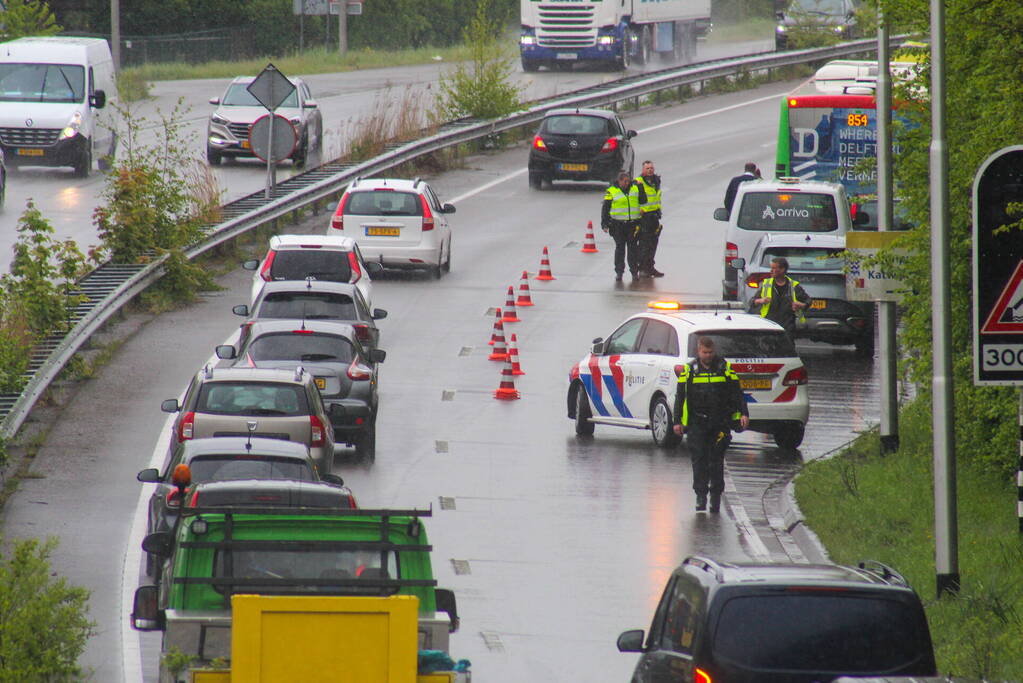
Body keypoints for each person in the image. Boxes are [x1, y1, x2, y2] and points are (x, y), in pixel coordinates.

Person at [672, 337, 749, 513]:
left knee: (716, 460)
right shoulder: (689, 370)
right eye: (704, 353)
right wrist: (677, 422)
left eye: (710, 352)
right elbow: (680, 396)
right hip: (697, 422)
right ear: (699, 352)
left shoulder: (724, 368)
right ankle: (700, 496)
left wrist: (744, 413)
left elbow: (737, 392)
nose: (708, 356)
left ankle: (715, 497)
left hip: (719, 422)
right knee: (699, 460)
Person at [753, 256, 811, 338]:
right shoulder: (766, 284)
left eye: (774, 268)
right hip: (769, 326)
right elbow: (752, 302)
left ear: (782, 269)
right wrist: (760, 301)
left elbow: (808, 301)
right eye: (771, 268)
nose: (771, 271)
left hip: (787, 328)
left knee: (786, 350)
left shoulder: (794, 286)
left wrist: (801, 305)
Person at [601, 170, 642, 281]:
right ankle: (619, 272)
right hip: (618, 225)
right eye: (624, 181)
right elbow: (605, 208)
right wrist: (604, 223)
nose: (626, 183)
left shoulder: (634, 189)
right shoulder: (612, 191)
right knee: (620, 249)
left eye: (628, 181)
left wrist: (641, 188)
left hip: (632, 225)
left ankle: (634, 272)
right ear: (619, 181)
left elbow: (643, 200)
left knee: (632, 249)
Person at [634, 160, 664, 277]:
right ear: (642, 170)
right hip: (644, 217)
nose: (650, 170)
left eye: (651, 168)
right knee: (644, 244)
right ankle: (642, 268)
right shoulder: (638, 182)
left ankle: (650, 267)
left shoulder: (656, 181)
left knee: (653, 244)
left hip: (654, 216)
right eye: (647, 168)